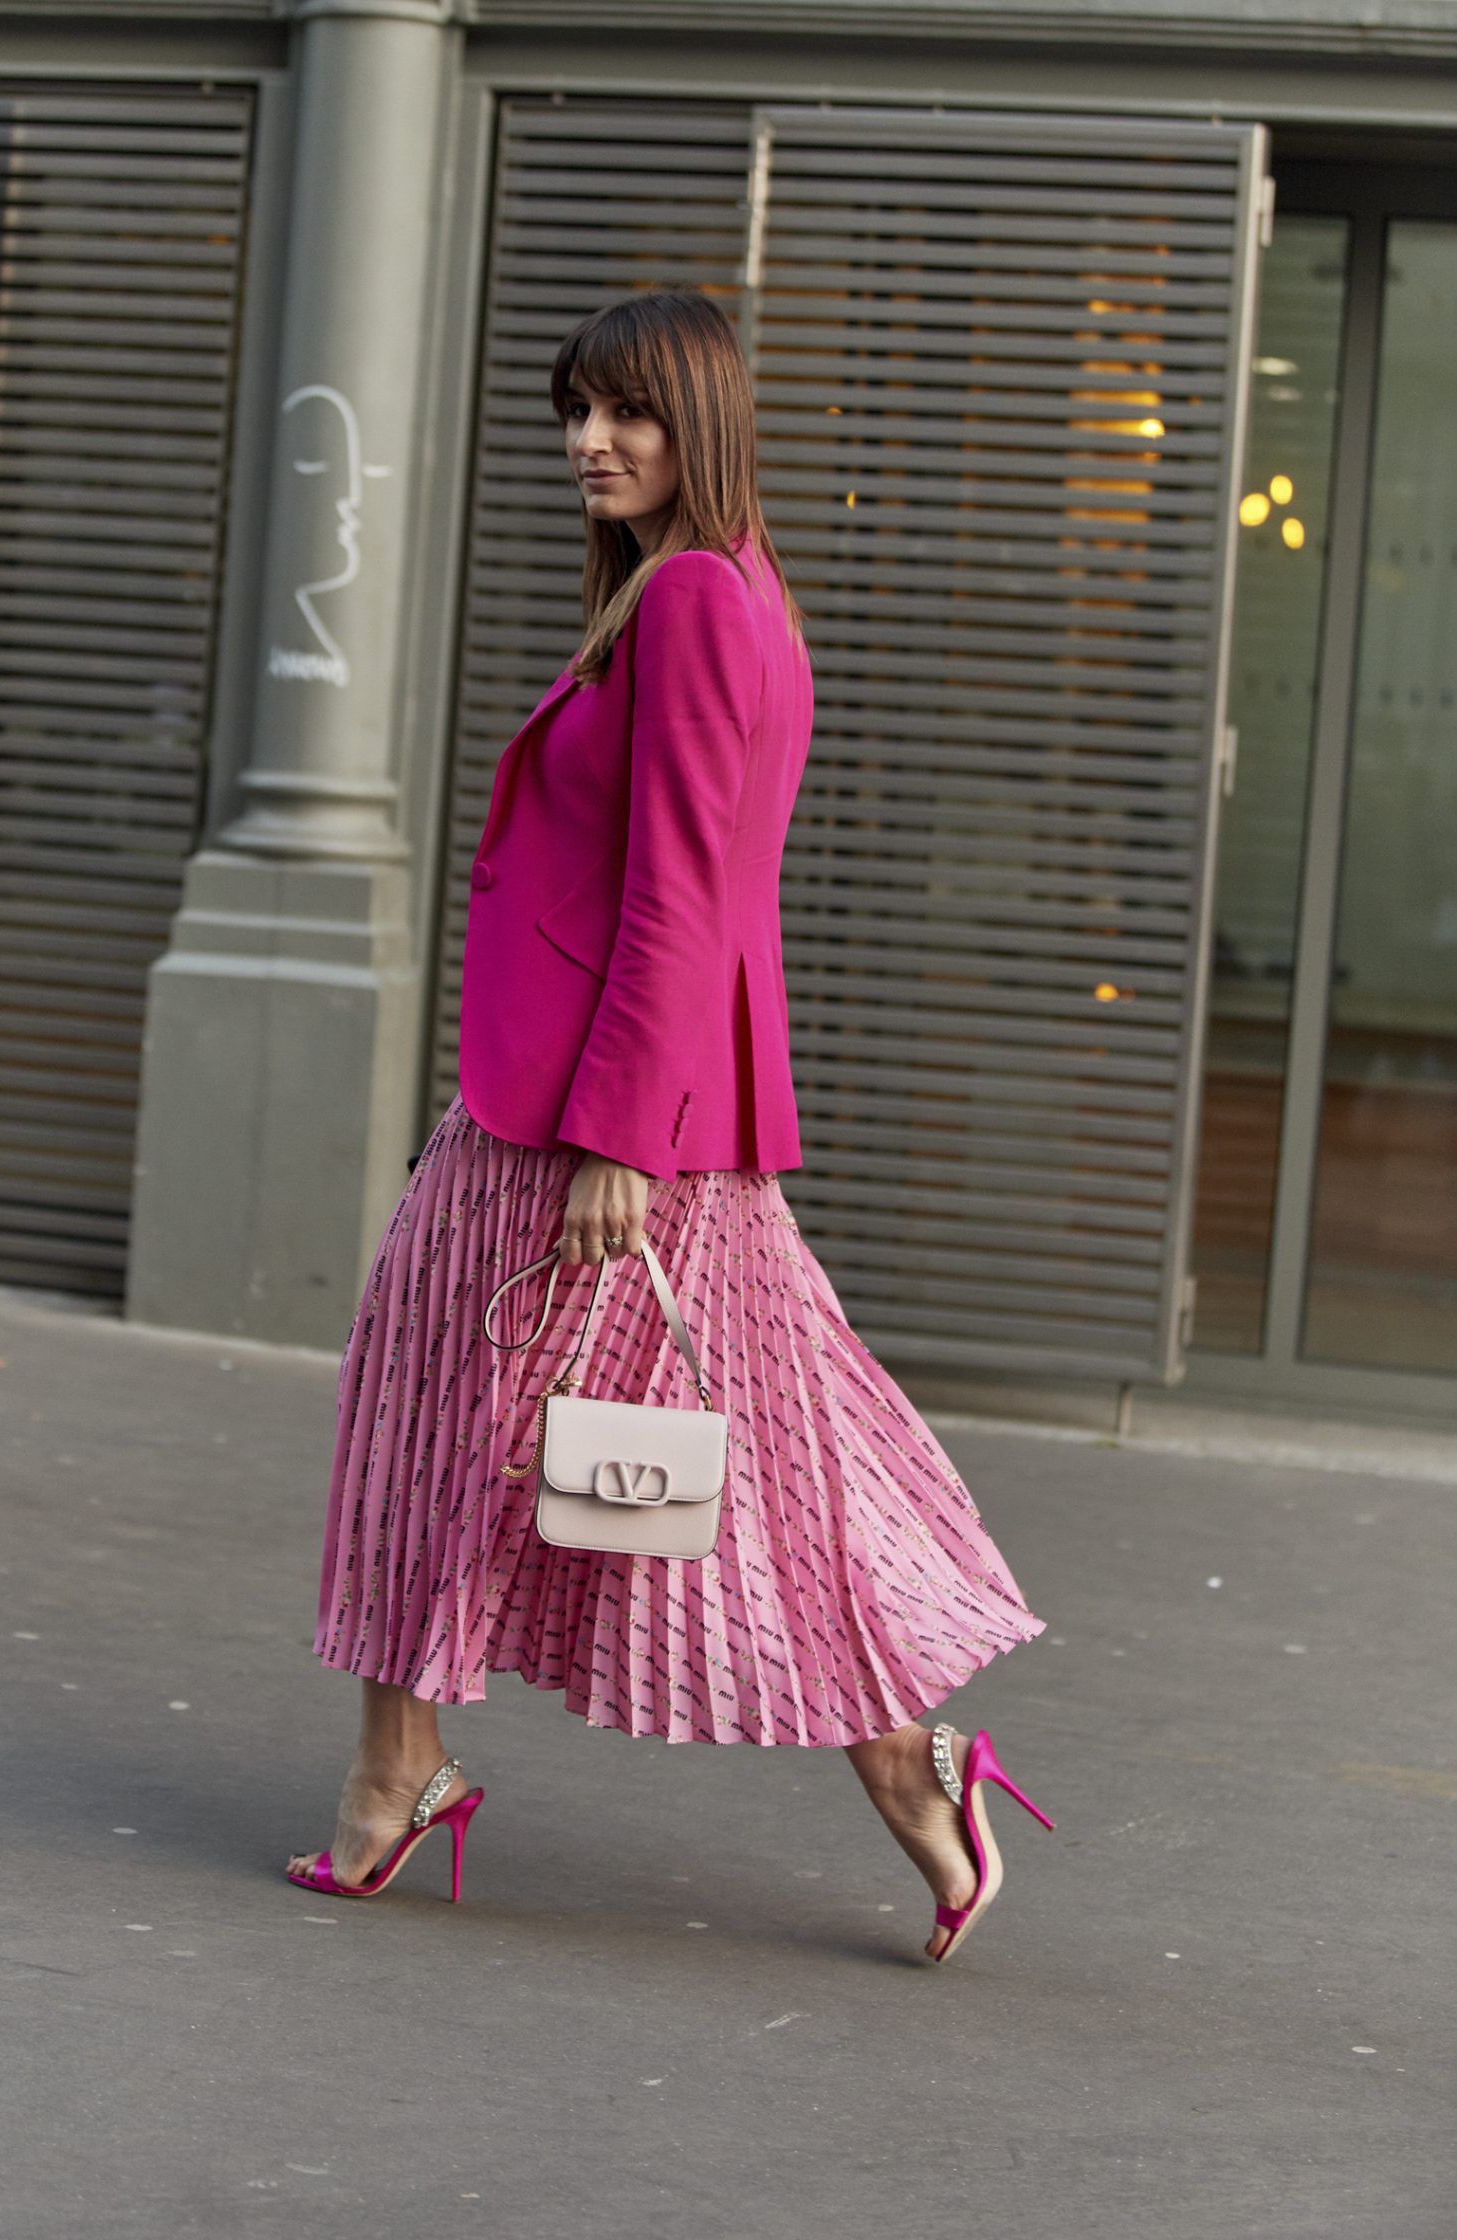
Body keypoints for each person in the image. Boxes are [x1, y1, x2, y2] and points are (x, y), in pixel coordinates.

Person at [287, 289, 1050, 1963]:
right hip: (608, 1110)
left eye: (625, 413)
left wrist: (620, 1140)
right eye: (575, 413)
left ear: (697, 421)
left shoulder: (700, 600)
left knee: (469, 1402)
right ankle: (411, 1767)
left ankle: (400, 1777)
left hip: (611, 1129)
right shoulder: (711, 589)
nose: (591, 441)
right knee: (733, 1449)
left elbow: (689, 894)